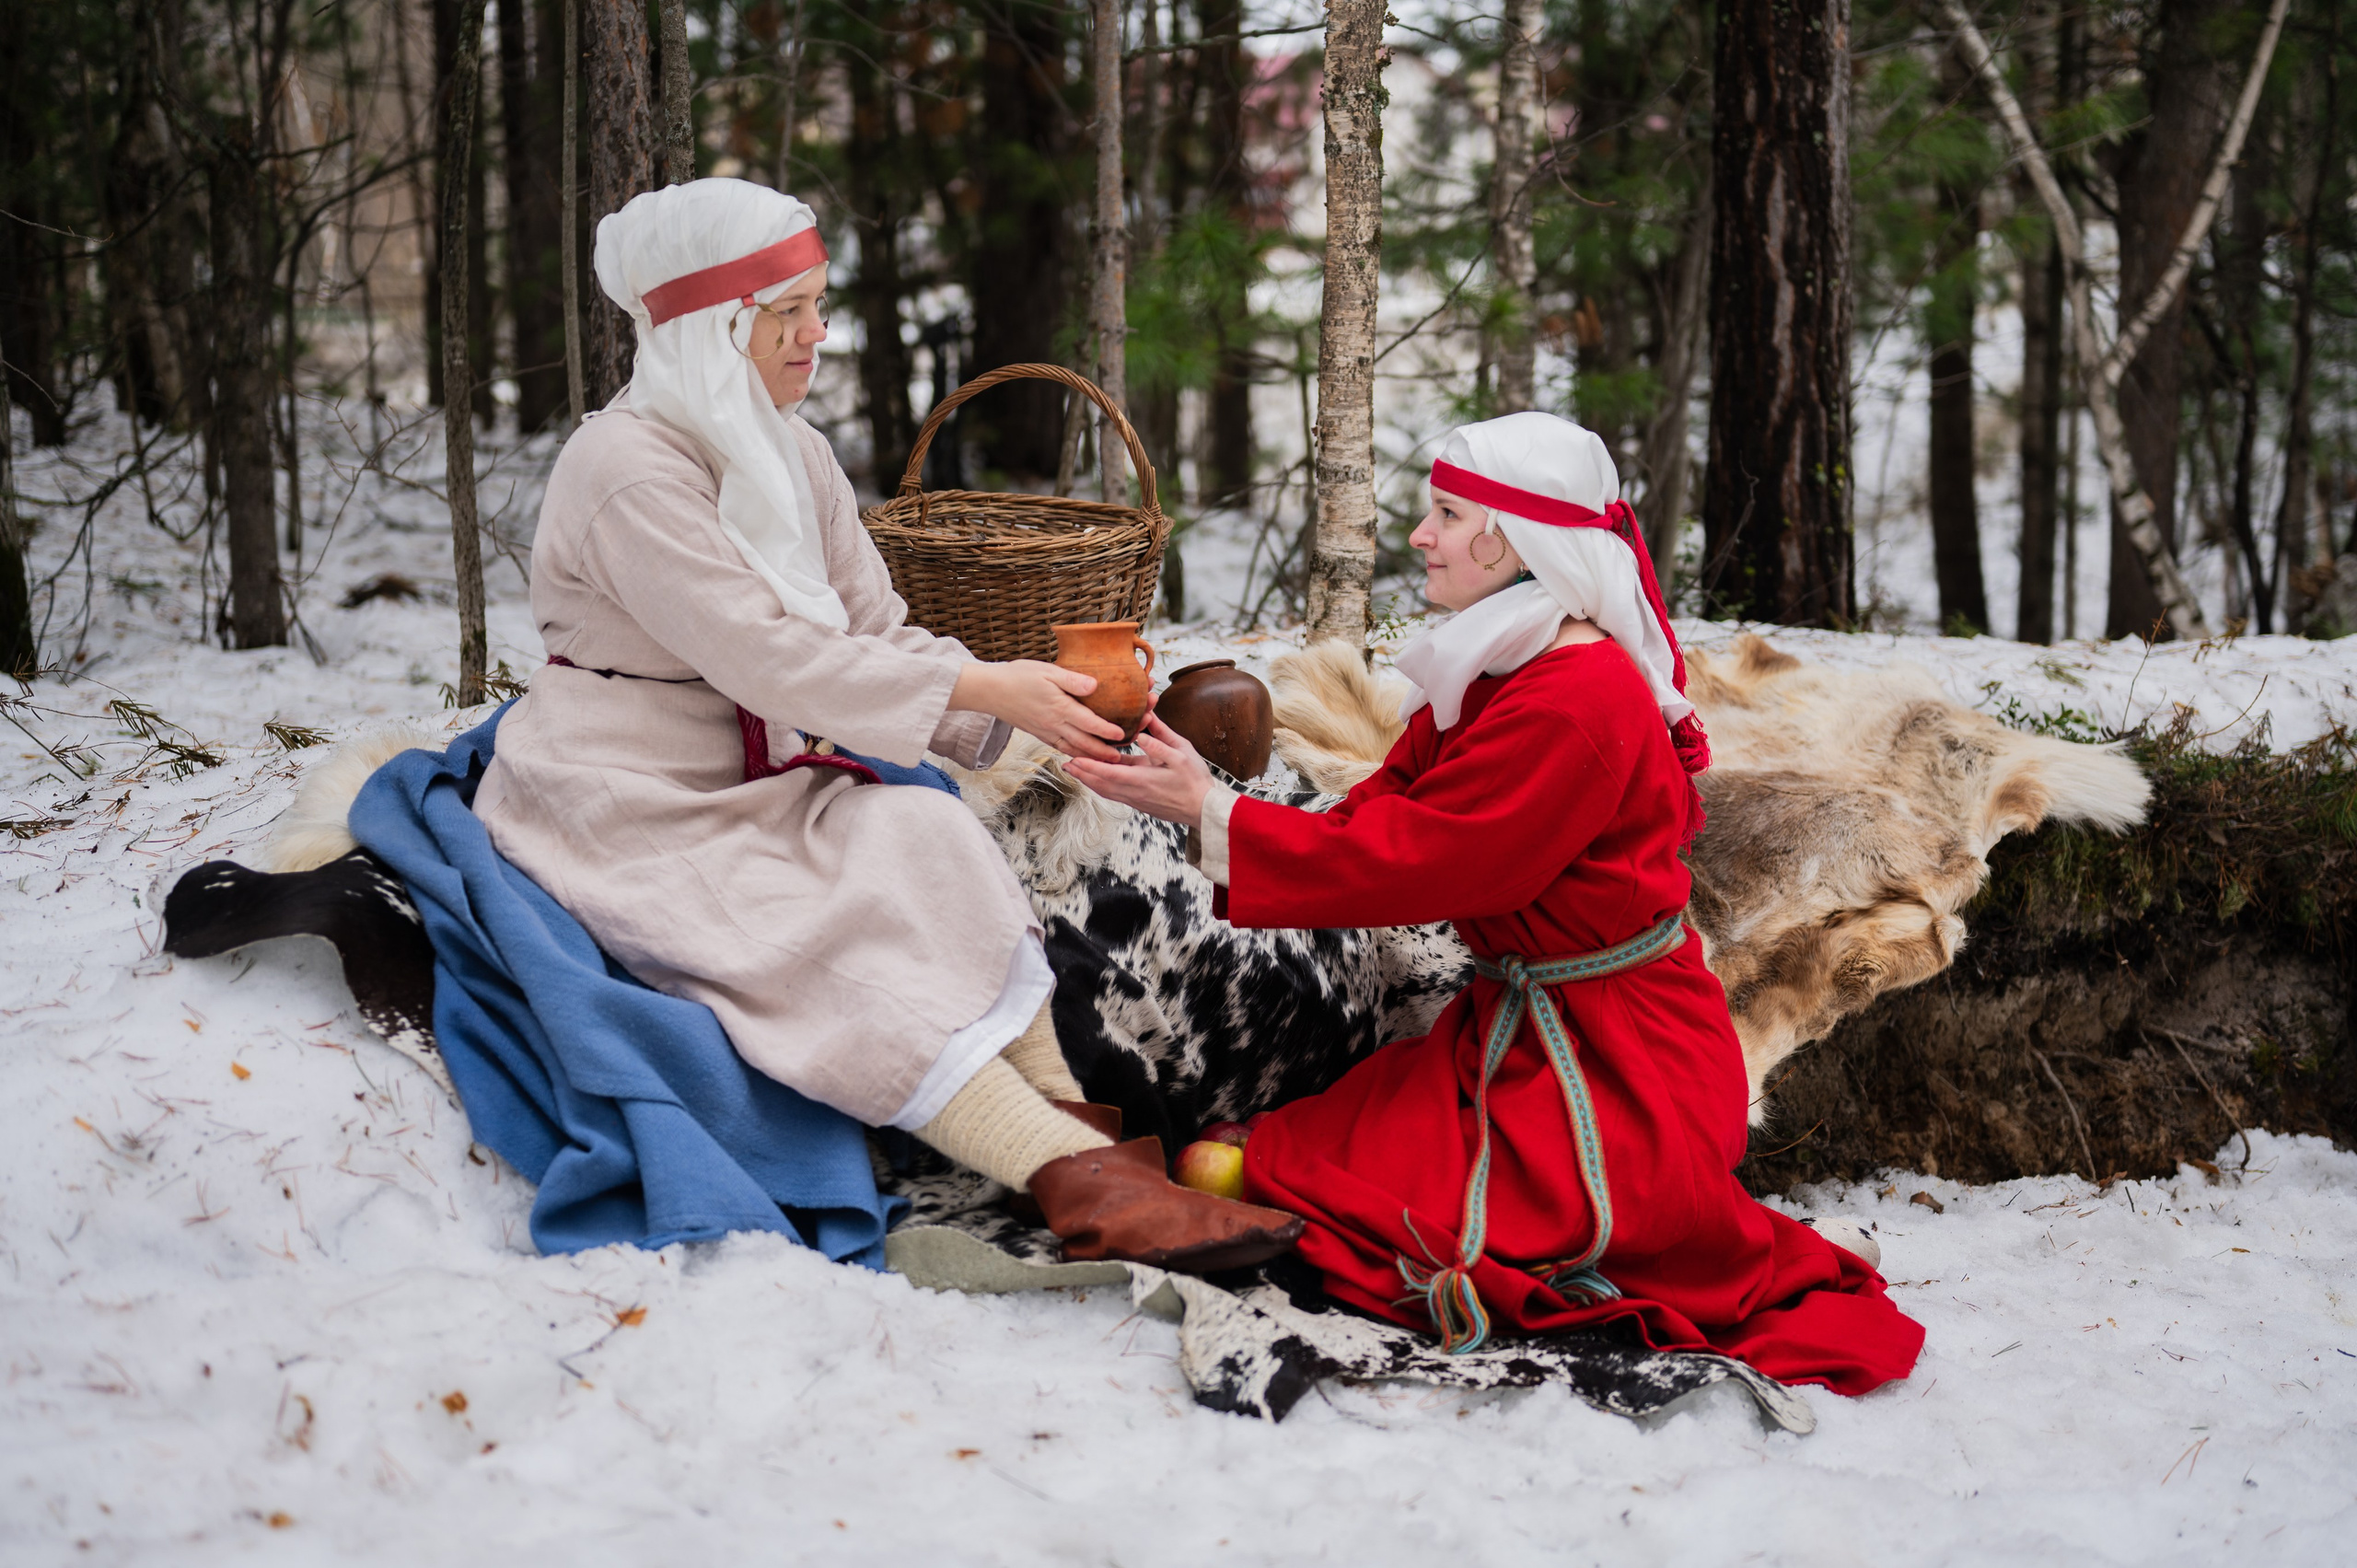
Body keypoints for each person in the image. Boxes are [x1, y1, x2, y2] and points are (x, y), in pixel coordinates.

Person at [473, 179, 1300, 1272]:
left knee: (932, 840)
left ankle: (1096, 1150)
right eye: (788, 313)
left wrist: (1033, 727)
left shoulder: (792, 452)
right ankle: (1067, 1173)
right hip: (634, 790)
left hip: (768, 770)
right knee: (814, 941)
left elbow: (877, 630)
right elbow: (767, 655)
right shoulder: (627, 469)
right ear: (713, 328)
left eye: (820, 304)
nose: (818, 334)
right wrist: (990, 690)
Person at [1069, 412, 1924, 1392]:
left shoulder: (1577, 700)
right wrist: (1213, 801)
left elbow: (1428, 856)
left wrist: (1214, 812)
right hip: (1512, 1031)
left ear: (1509, 540)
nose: (1419, 535)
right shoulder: (1504, 669)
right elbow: (1387, 805)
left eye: (1444, 513)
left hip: (1613, 1072)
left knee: (1337, 1207)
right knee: (1269, 1154)